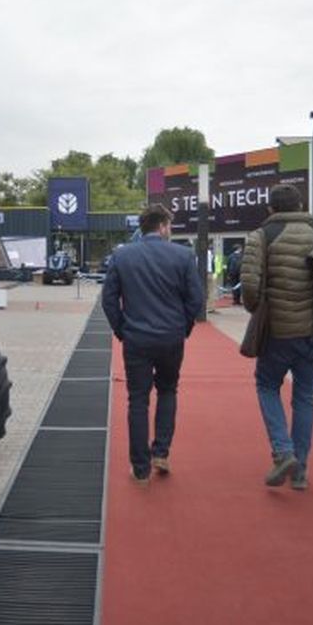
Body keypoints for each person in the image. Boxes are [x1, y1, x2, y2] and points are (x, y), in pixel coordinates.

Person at [103, 204, 204, 484]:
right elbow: (195, 300)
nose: (170, 231)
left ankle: (140, 467)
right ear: (162, 226)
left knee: (137, 400)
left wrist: (122, 329)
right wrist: (182, 327)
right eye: (169, 226)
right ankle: (161, 451)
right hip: (171, 338)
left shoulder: (122, 256)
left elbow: (109, 300)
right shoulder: (183, 256)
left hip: (136, 338)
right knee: (168, 391)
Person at [240, 184, 313, 491]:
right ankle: (300, 471)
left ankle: (283, 451)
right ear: (301, 204)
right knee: (304, 396)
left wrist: (256, 309)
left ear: (270, 209)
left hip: (278, 331)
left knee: (266, 386)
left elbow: (249, 286)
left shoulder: (261, 236)